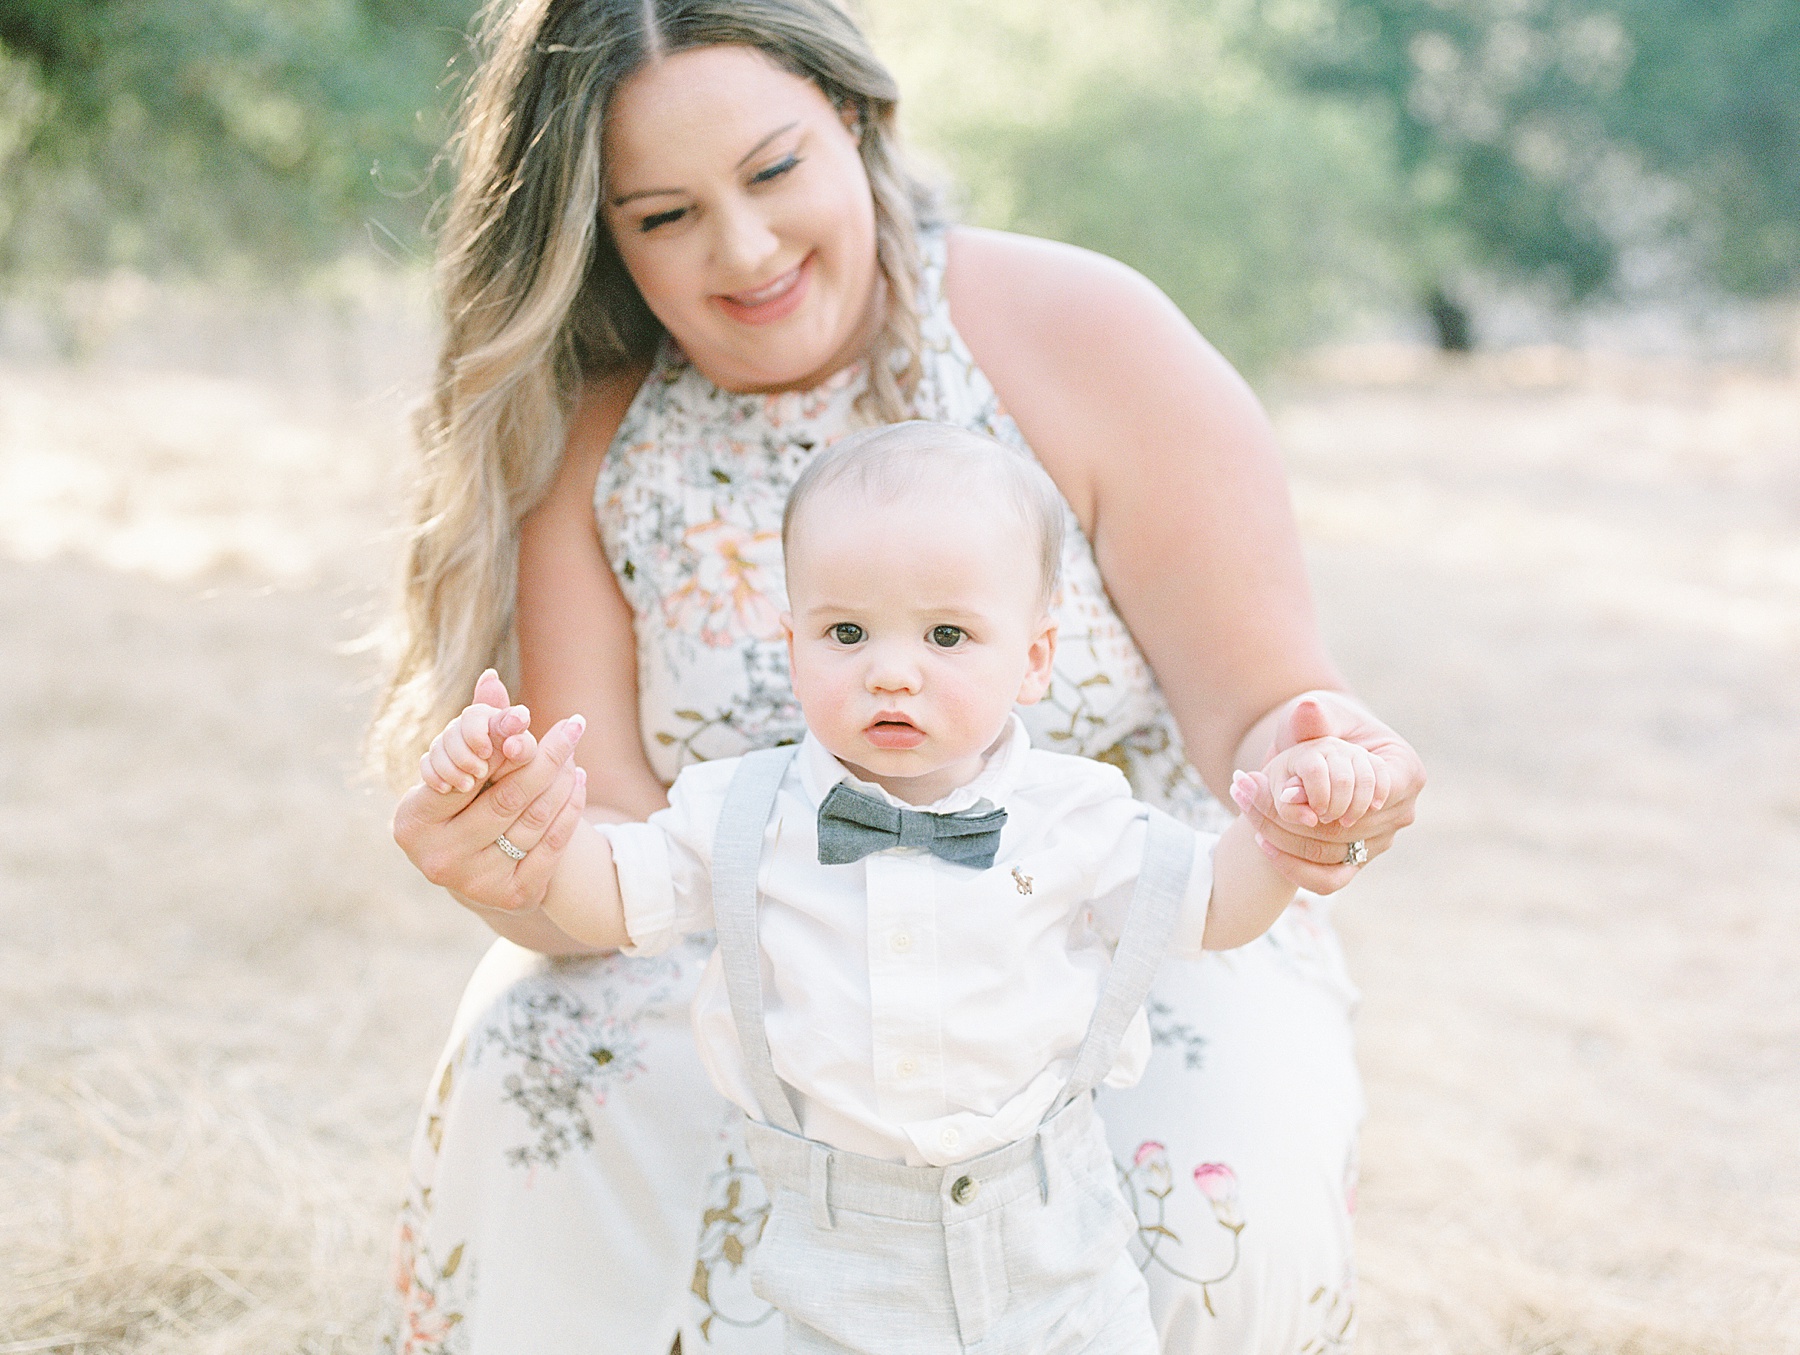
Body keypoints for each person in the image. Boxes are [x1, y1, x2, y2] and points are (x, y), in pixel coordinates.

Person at [375, 2, 1426, 1352]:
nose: (742, 250)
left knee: (1207, 1208)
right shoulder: (597, 438)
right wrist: (516, 863)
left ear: (858, 121)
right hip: (756, 947)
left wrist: (1320, 776)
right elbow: (620, 850)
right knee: (540, 1051)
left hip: (1125, 913)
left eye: (771, 172)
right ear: (601, 230)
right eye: (662, 215)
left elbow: (1264, 702)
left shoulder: (1080, 330)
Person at [415, 424, 1386, 1355]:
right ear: (791, 646)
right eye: (846, 630)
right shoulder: (744, 813)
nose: (891, 671)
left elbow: (1212, 903)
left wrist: (1284, 837)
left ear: (1034, 657)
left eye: (948, 634)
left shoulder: (1076, 814)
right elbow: (618, 900)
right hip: (842, 1241)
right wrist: (534, 830)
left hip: (1053, 1232)